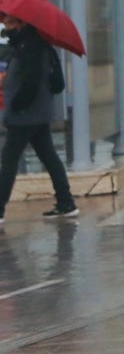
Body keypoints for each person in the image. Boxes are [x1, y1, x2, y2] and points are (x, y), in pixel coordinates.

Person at [0, 12, 78, 223]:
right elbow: (54, 83)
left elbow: (30, 82)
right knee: (49, 156)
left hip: (26, 115)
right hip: (37, 113)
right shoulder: (35, 45)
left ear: (22, 23)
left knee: (8, 160)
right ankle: (66, 202)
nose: (5, 27)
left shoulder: (30, 48)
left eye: (8, 22)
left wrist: (16, 104)